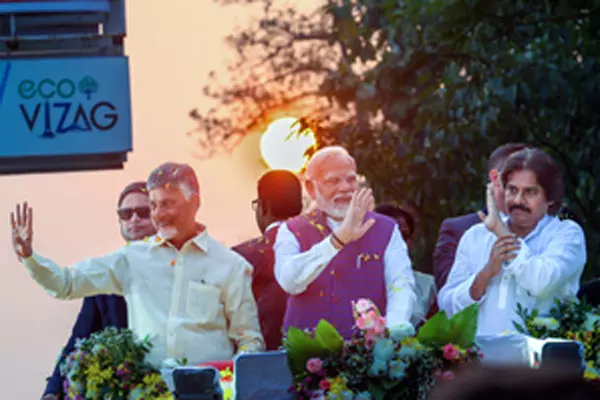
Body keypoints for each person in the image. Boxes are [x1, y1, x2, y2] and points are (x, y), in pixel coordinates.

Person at [12, 162, 264, 368]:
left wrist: (230, 379)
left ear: (194, 203)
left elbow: (249, 339)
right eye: (154, 205)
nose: (159, 214)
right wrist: (29, 257)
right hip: (145, 391)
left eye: (167, 203)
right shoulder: (132, 259)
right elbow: (66, 283)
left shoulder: (230, 265)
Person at [438, 148, 587, 364]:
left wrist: (500, 231)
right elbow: (447, 305)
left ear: (550, 199)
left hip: (543, 374)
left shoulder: (566, 235)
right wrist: (484, 275)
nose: (518, 200)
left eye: (530, 192)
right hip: (477, 371)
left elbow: (541, 282)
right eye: (512, 190)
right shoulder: (475, 237)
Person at [274, 146, 416, 339]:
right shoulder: (291, 230)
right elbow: (289, 281)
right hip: (307, 355)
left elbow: (401, 285)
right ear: (310, 188)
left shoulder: (386, 228)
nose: (345, 188)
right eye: (333, 181)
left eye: (350, 179)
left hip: (369, 355)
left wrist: (389, 334)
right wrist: (337, 240)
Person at [42, 181, 157, 400]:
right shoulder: (106, 274)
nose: (134, 220)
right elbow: (79, 338)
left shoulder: (181, 269)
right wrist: (52, 391)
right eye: (126, 214)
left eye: (143, 212)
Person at [433, 143, 530, 290]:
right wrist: (486, 273)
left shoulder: (554, 228)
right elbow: (447, 294)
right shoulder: (458, 229)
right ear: (495, 177)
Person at [233, 170, 303, 350]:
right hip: (318, 363)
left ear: (263, 206)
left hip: (259, 362)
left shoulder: (241, 256)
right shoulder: (319, 249)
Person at [374, 202, 436, 327]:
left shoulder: (427, 287)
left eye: (404, 236)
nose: (398, 244)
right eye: (388, 237)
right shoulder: (354, 283)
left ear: (411, 242)